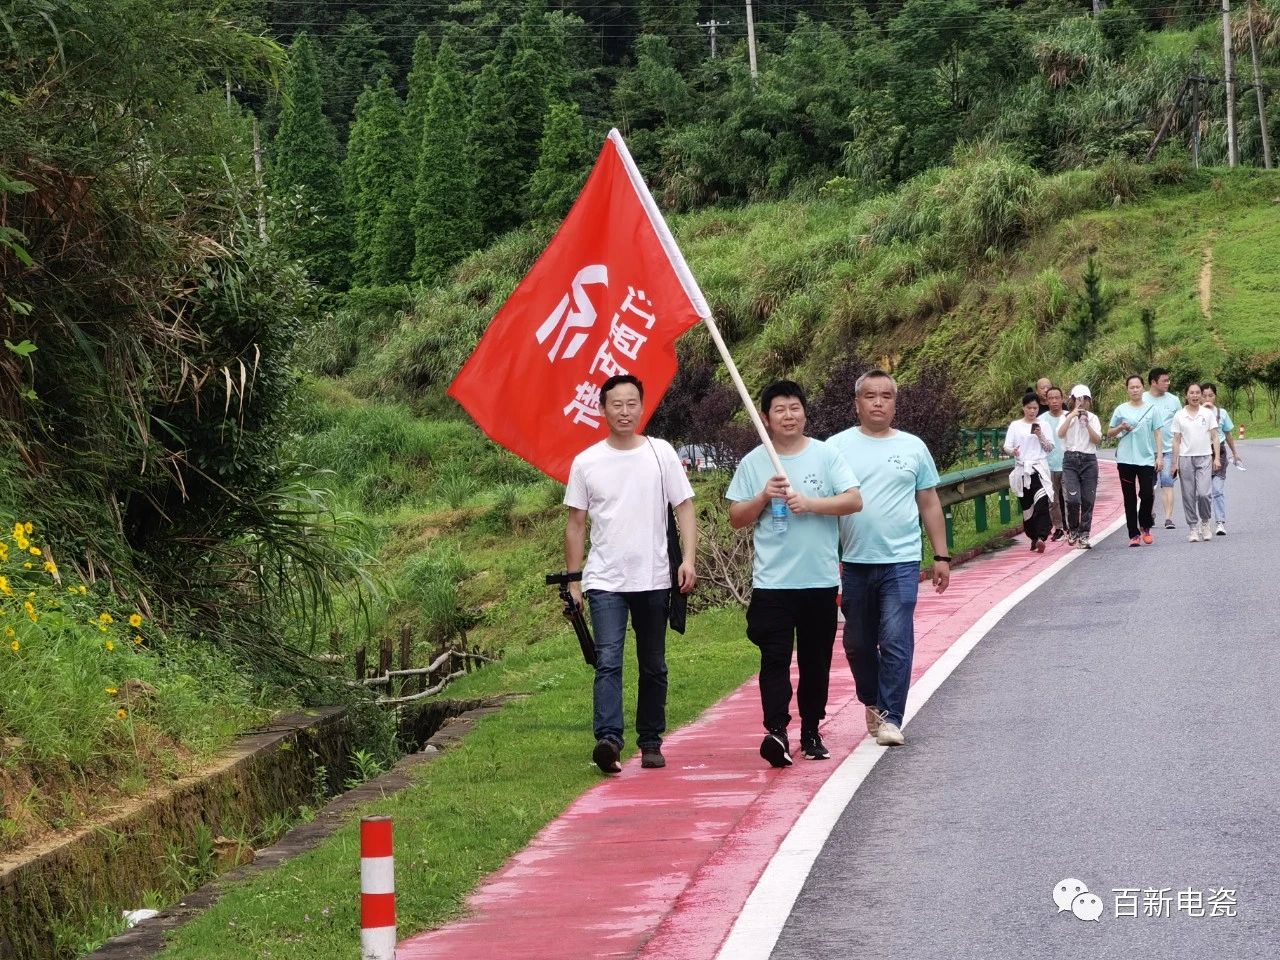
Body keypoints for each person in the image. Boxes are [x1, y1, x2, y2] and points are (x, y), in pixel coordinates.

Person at [564, 374, 697, 774]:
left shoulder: (661, 453)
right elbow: (575, 524)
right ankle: (608, 740)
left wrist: (687, 559)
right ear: (602, 410)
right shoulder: (586, 462)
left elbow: (685, 507)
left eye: (631, 403)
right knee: (608, 661)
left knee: (653, 662)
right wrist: (574, 580)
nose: (625, 411)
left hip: (655, 577)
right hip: (605, 580)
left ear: (642, 406)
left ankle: (651, 740)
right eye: (616, 404)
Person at [727, 380, 862, 768]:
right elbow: (736, 518)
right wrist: (762, 497)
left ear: (805, 412)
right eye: (780, 410)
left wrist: (811, 503)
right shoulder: (755, 462)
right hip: (772, 584)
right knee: (775, 658)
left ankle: (812, 731)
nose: (789, 415)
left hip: (819, 581)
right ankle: (777, 731)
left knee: (815, 661)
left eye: (795, 408)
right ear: (766, 418)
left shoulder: (826, 455)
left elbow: (854, 499)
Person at [828, 370, 950, 749]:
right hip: (854, 562)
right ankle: (873, 700)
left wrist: (941, 555)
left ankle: (891, 717)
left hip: (901, 561)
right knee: (857, 643)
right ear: (857, 403)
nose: (878, 402)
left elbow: (928, 502)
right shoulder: (835, 448)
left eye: (885, 396)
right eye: (870, 396)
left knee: (896, 639)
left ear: (896, 403)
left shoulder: (913, 447)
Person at [1108, 374, 1163, 547]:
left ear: (1143, 388)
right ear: (1127, 390)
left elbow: (1158, 432)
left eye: (1137, 387)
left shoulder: (1152, 409)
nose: (1135, 390)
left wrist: (1159, 455)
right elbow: (1109, 432)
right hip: (1125, 459)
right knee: (1129, 498)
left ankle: (1145, 525)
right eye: (1131, 387)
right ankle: (1133, 534)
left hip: (1146, 458)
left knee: (1147, 494)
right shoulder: (1121, 409)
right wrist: (1120, 427)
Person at [1004, 390, 1055, 552]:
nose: (1032, 411)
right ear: (1023, 408)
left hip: (1038, 470)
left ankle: (1041, 536)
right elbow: (1007, 446)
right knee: (1028, 508)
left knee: (1041, 504)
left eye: (1035, 408)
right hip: (1022, 471)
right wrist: (1014, 452)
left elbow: (1049, 448)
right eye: (1029, 408)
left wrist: (1040, 436)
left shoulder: (1044, 425)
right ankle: (1033, 536)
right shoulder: (1015, 426)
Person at [1170, 383, 1220, 543]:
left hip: (1205, 456)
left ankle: (1205, 522)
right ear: (1186, 395)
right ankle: (1193, 527)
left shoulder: (1207, 414)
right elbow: (1176, 440)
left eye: (1198, 392)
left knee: (1204, 494)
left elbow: (1215, 437)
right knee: (1188, 495)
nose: (1195, 395)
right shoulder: (1179, 415)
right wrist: (1174, 463)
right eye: (1191, 393)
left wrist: (1216, 458)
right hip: (1185, 458)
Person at [1056, 384, 1102, 548]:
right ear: (1073, 400)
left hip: (1089, 460)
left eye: (1085, 399)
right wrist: (1072, 417)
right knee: (1073, 500)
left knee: (1088, 500)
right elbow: (1060, 434)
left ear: (1090, 401)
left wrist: (1086, 423)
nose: (1082, 403)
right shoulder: (1066, 416)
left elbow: (1097, 440)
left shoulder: (1093, 418)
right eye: (1079, 399)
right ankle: (1073, 529)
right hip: (1070, 460)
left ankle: (1084, 535)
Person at [1199, 383, 1244, 536]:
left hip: (1220, 453)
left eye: (1210, 395)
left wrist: (1235, 453)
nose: (1207, 398)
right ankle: (1204, 521)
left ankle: (1220, 522)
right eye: (1204, 395)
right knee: (1203, 493)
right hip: (1201, 454)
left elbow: (1228, 434)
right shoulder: (1195, 414)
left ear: (1215, 396)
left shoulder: (1222, 413)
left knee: (1217, 490)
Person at [1142, 368, 1181, 530]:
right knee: (1148, 486)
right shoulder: (1142, 399)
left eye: (1168, 380)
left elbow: (1180, 426)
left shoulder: (1174, 400)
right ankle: (1149, 514)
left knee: (1167, 482)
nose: (1168, 383)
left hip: (1168, 449)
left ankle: (1168, 518)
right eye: (1164, 380)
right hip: (1146, 450)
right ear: (1153, 382)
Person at [1037, 386, 1067, 542]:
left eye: (1057, 398)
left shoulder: (1070, 416)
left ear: (1063, 399)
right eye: (1051, 398)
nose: (1054, 401)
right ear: (1046, 401)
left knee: (1070, 498)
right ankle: (1059, 527)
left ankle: (1072, 525)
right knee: (1053, 500)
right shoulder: (1041, 420)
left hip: (1069, 464)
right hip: (1048, 465)